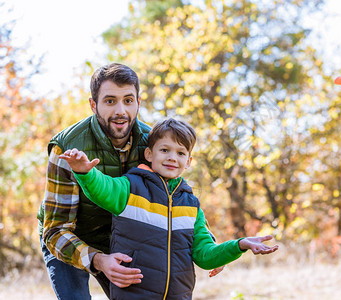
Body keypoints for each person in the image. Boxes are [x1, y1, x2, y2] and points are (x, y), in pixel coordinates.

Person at [37, 63, 223, 299]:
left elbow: (174, 194)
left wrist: (209, 243)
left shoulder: (153, 143)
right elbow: (56, 230)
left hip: (125, 238)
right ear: (93, 105)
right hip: (70, 236)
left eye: (128, 100)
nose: (121, 111)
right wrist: (99, 259)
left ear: (138, 102)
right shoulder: (67, 149)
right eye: (110, 101)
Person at [60, 118, 279, 299]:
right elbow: (103, 188)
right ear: (149, 155)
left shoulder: (191, 206)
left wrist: (239, 245)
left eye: (180, 153)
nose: (172, 157)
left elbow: (205, 256)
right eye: (164, 150)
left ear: (189, 161)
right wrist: (85, 172)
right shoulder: (131, 188)